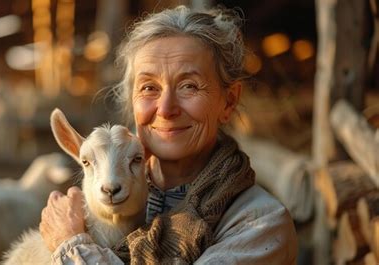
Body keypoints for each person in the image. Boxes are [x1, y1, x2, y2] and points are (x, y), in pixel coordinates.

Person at [39, 5, 297, 264]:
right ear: (133, 102)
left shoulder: (260, 224)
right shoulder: (97, 209)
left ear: (228, 102)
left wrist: (71, 247)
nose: (165, 109)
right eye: (149, 87)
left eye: (189, 86)